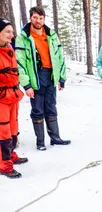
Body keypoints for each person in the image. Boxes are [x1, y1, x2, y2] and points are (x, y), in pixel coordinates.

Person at [15, 6, 70, 151]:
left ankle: (55, 137)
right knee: (38, 109)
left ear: (44, 19)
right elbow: (20, 62)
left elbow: (59, 57)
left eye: (40, 18)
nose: (38, 21)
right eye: (35, 17)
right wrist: (26, 85)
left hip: (51, 75)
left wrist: (61, 77)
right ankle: (40, 141)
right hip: (35, 76)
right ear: (30, 18)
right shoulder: (23, 37)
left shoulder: (51, 35)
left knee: (51, 107)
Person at [0, 18, 28, 178]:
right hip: (2, 98)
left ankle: (10, 155)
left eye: (12, 31)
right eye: (7, 32)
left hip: (13, 96)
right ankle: (4, 165)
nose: (12, 34)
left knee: (12, 129)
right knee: (2, 131)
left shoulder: (9, 48)